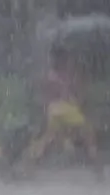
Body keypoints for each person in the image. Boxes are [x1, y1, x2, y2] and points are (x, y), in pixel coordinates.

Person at [19, 46, 102, 176]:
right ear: (63, 60)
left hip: (54, 111)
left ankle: (27, 166)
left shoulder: (52, 75)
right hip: (66, 110)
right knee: (88, 133)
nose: (70, 61)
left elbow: (45, 97)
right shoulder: (64, 76)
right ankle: (97, 167)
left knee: (47, 139)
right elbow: (76, 95)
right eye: (67, 59)